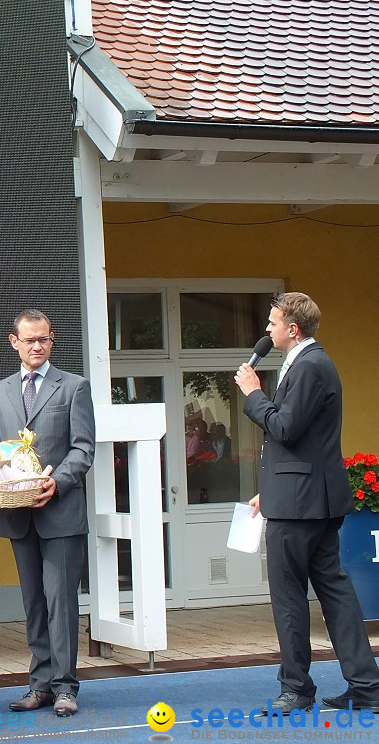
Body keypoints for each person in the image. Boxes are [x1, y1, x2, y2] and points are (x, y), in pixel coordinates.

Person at [234, 293, 379, 714]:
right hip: (303, 497)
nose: (267, 329)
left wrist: (252, 394)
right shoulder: (308, 364)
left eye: (273, 322)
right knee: (334, 591)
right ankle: (366, 686)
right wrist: (271, 488)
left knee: (290, 597)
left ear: (292, 329)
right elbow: (304, 441)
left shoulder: (311, 365)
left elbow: (285, 427)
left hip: (301, 506)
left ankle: (296, 688)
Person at [0, 309, 95, 718]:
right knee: (34, 602)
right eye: (29, 340)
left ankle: (66, 687)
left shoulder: (75, 387)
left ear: (52, 340)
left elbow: (84, 448)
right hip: (18, 514)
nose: (36, 346)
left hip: (61, 511)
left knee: (61, 601)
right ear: (13, 342)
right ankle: (40, 685)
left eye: (44, 339)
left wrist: (57, 481)